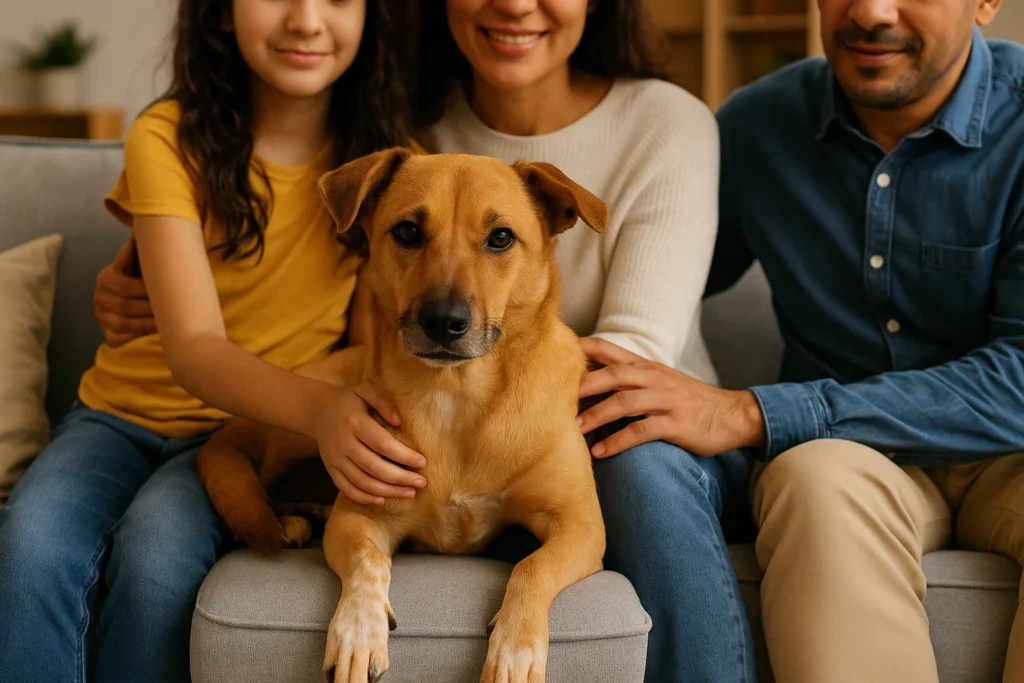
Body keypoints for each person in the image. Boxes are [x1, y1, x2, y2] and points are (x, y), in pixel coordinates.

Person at [91, 2, 760, 682]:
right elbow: (358, 294)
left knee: (642, 474)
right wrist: (150, 269)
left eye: (499, 240)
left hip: (604, 397)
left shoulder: (666, 123)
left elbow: (633, 350)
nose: (515, 5)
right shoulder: (399, 122)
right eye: (413, 234)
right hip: (381, 396)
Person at [578, 0, 1024, 681]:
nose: (870, 11)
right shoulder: (759, 126)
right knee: (813, 481)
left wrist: (753, 412)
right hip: (848, 459)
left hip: (1010, 454)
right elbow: (652, 274)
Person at [0, 1, 419, 681]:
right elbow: (193, 346)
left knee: (156, 560)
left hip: (247, 434)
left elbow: (375, 346)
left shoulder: (395, 173)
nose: (307, 20)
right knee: (29, 547)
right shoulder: (166, 136)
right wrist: (323, 410)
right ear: (222, 12)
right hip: (118, 417)